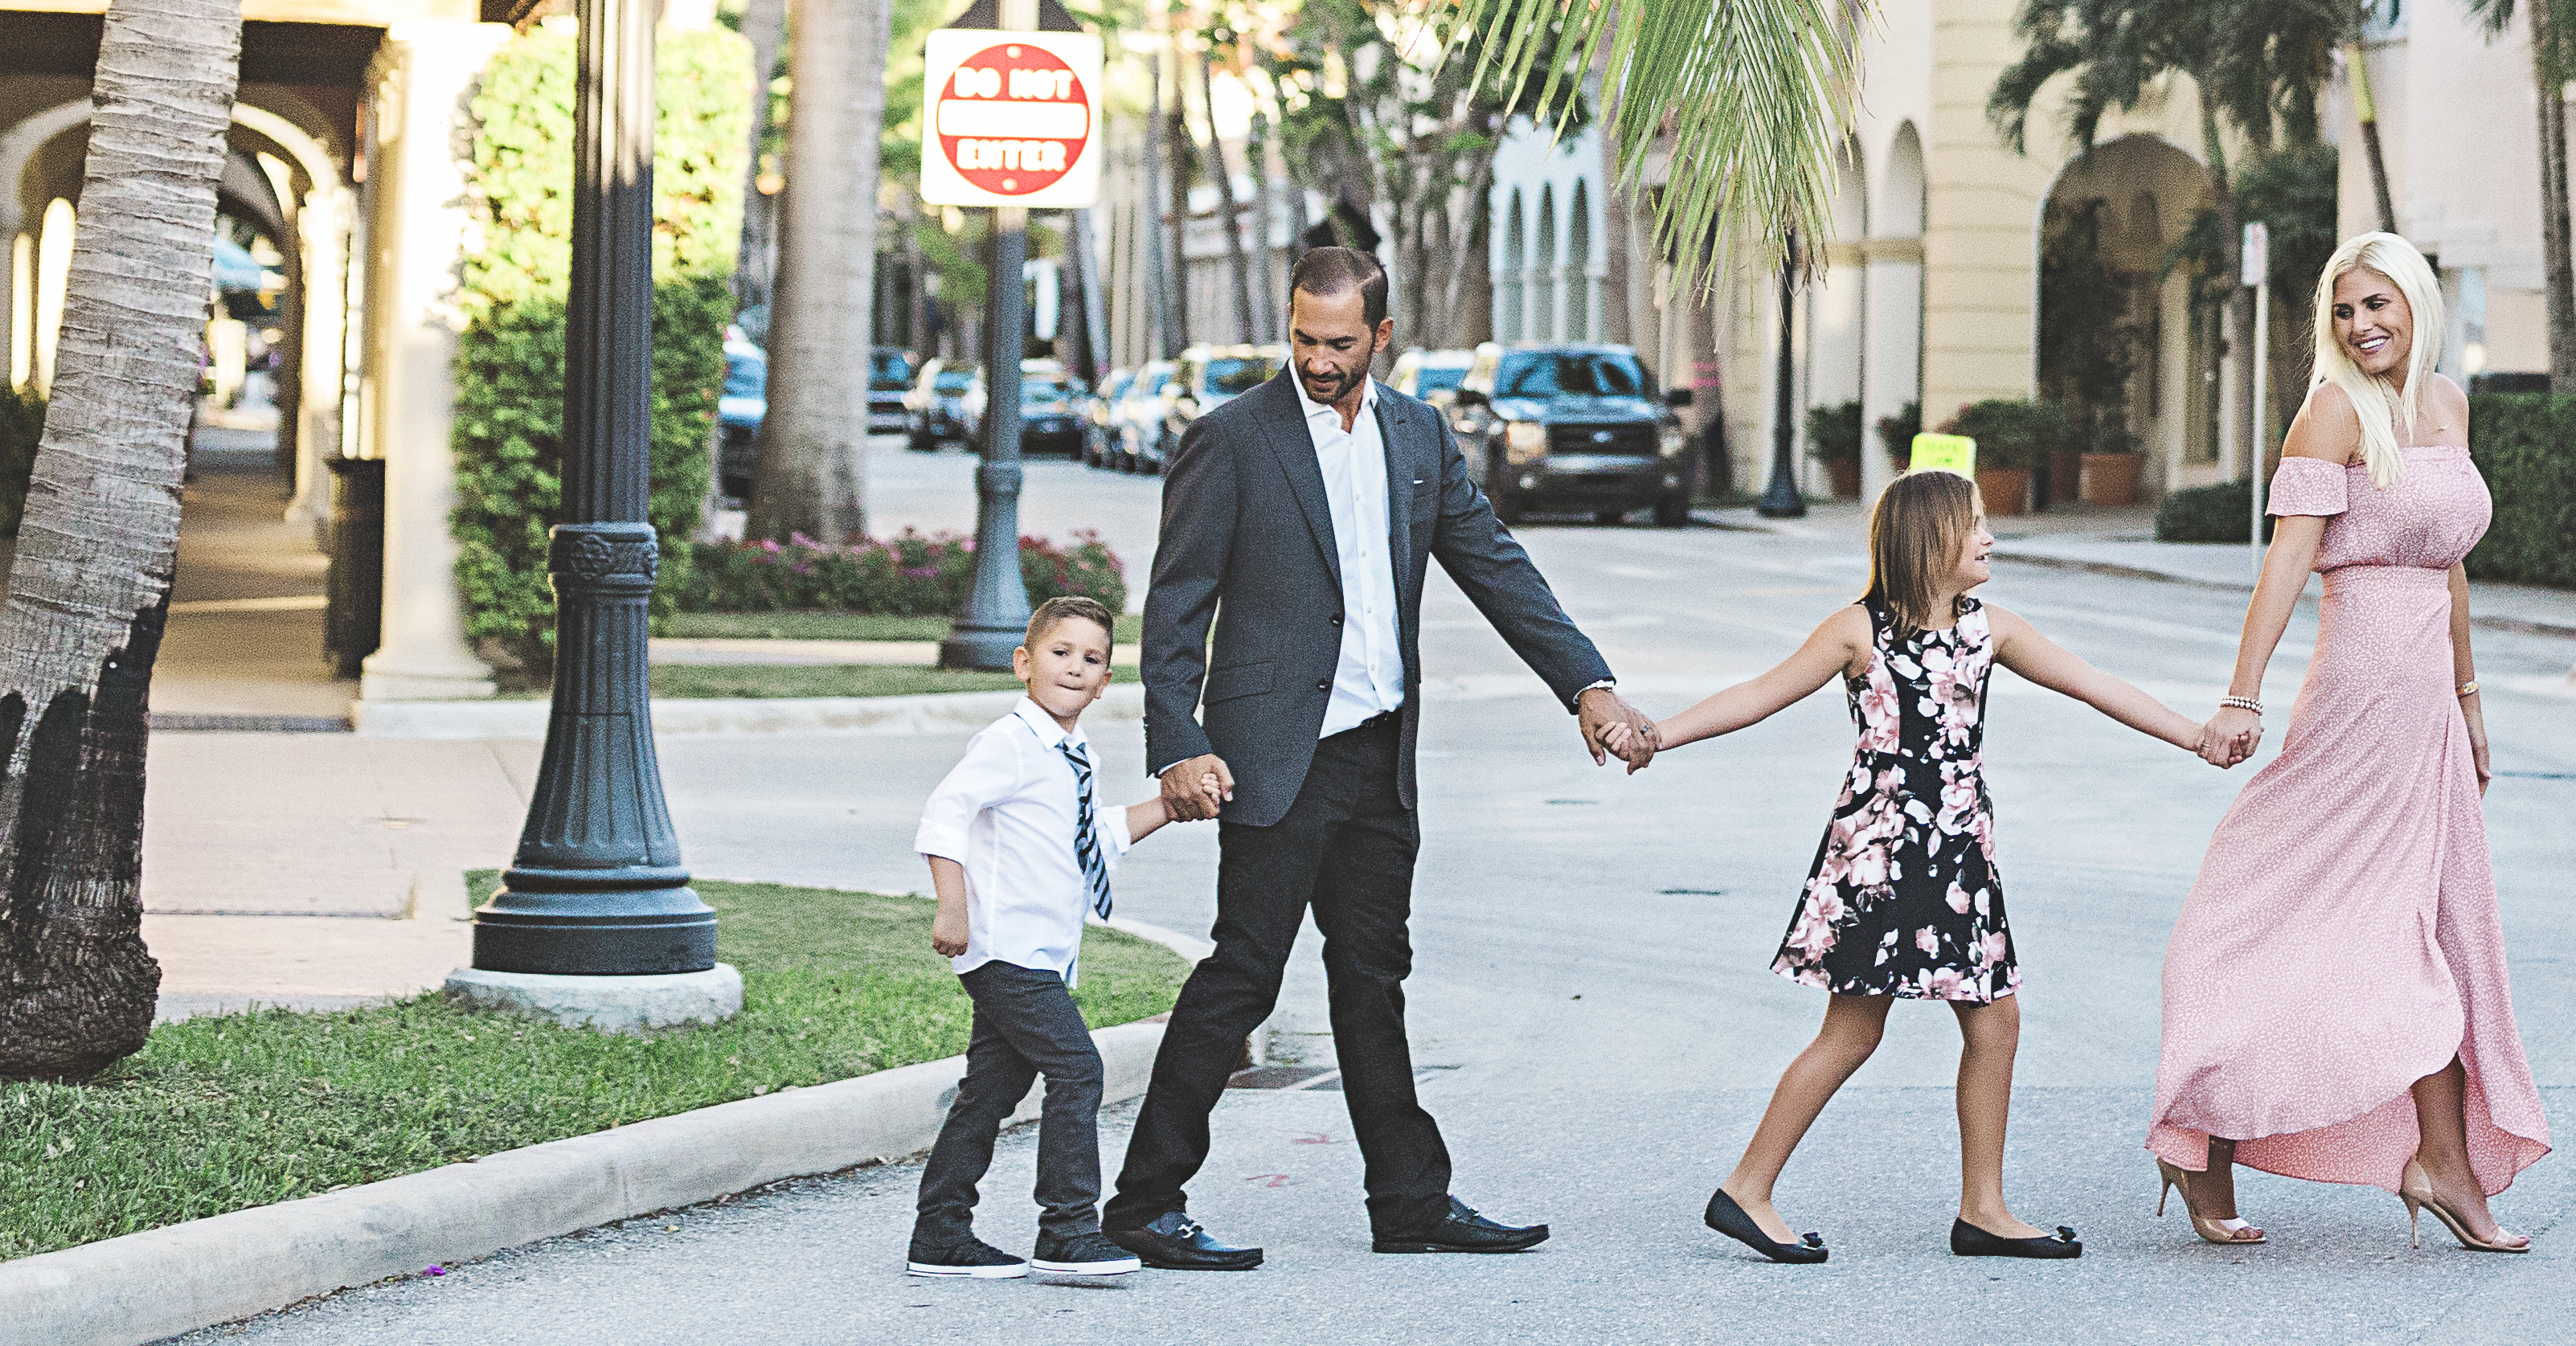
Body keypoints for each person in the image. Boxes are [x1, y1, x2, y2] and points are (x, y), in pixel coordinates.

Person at [1102, 246, 1665, 1272]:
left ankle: (1409, 1200)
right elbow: (1176, 604)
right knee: (1243, 978)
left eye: (1340, 344)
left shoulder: (1418, 436)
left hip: (1376, 758)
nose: (1318, 361)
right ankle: (1143, 1203)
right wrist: (1176, 743)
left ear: (1384, 337)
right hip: (1275, 757)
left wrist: (1586, 684)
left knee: (1373, 979)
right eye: (1305, 340)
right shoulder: (1230, 440)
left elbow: (1495, 563)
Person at [1641, 467, 2249, 1265]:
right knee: (1854, 1031)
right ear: (1930, 540)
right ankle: (1749, 1189)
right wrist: (1660, 735)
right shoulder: (1857, 631)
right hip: (1879, 857)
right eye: (1976, 526)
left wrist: (2194, 735)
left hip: (1959, 853)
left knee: (1995, 1022)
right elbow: (1759, 694)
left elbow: (2092, 685)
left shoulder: (1988, 628)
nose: (1990, 538)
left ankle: (1983, 1208)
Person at [2148, 229, 2549, 1254]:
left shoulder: (2450, 404)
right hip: (2357, 696)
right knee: (2299, 915)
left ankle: (2445, 1164)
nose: (2364, 325)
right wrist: (2242, 696)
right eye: (2345, 310)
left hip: (2427, 706)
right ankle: (2204, 1136)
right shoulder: (2331, 411)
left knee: (2441, 929)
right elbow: (2285, 566)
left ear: (2418, 306)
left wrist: (2469, 699)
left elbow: (2450, 564)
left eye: (2380, 305)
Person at [908, 595, 1210, 1282]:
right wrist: (951, 907)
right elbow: (945, 815)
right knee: (1079, 1069)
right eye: (1060, 652)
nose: (1076, 668)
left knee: (988, 1092)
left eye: (1093, 659)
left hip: (1039, 953)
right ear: (1024, 663)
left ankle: (940, 1232)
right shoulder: (1008, 744)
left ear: (1106, 681)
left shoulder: (1073, 754)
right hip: (1004, 950)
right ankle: (1068, 1229)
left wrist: (1169, 805)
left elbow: (1092, 838)